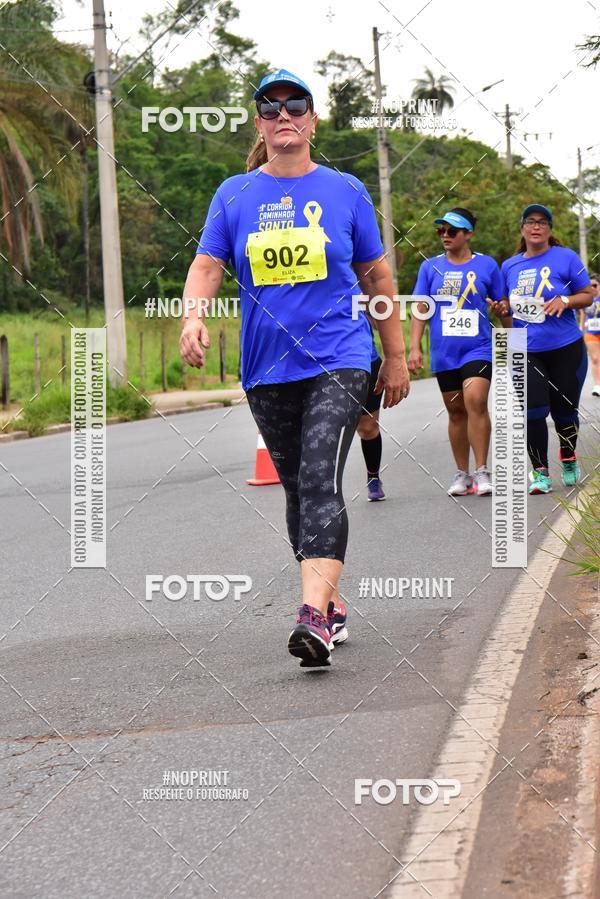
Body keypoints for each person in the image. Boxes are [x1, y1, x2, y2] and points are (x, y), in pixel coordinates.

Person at [179, 69, 410, 668]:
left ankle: (311, 616)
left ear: (311, 120)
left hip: (341, 356)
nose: (284, 115)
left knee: (317, 479)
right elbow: (206, 266)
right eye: (270, 106)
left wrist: (394, 354)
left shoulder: (346, 190)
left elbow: (377, 279)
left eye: (295, 105)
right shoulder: (233, 194)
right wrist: (192, 317)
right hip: (266, 367)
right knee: (295, 490)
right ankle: (328, 602)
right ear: (259, 121)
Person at [408, 208, 509, 496]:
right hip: (445, 350)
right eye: (441, 231)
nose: (445, 236)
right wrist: (415, 347)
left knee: (475, 400)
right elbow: (420, 309)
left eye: (452, 231)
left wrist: (511, 336)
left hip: (478, 347)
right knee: (455, 410)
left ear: (468, 234)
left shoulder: (488, 265)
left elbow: (503, 305)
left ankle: (482, 470)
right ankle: (462, 473)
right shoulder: (430, 267)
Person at [501, 204, 594, 494]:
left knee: (564, 413)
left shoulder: (565, 257)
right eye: (530, 221)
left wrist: (564, 301)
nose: (536, 226)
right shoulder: (509, 266)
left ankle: (568, 457)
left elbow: (588, 294)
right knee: (532, 411)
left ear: (550, 229)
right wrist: (501, 308)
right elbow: (506, 308)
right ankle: (540, 472)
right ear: (522, 228)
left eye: (542, 222)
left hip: (565, 346)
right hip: (525, 348)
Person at [356, 324, 386, 501]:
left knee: (367, 427)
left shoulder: (361, 294)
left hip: (365, 359)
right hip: (320, 363)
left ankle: (373, 477)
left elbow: (381, 319)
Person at [581, 273, 600, 397]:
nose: (592, 288)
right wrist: (581, 328)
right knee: (595, 358)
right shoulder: (585, 299)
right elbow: (583, 314)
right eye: (590, 286)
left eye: (595, 285)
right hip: (591, 332)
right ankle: (598, 385)